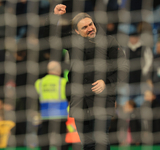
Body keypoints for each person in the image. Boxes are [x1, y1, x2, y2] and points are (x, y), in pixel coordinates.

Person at [51, 4, 128, 150]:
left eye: (90, 24)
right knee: (87, 144)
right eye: (84, 27)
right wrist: (55, 16)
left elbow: (124, 68)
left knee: (100, 141)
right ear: (76, 32)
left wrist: (106, 82)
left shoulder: (109, 41)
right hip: (79, 101)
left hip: (102, 100)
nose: (90, 28)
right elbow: (50, 38)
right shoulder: (73, 43)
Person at [34, 61, 69, 150]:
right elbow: (69, 98)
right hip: (60, 115)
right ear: (59, 70)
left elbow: (36, 98)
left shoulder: (39, 82)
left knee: (45, 141)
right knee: (62, 142)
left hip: (45, 115)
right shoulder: (63, 82)